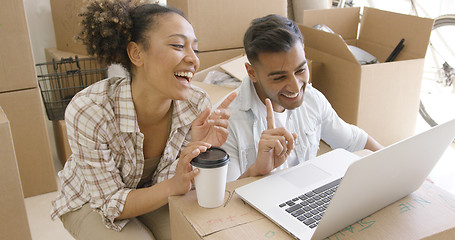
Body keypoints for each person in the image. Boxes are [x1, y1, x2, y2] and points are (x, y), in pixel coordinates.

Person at [50, 1, 237, 240]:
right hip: (92, 201)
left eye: (196, 50)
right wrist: (174, 186)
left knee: (198, 234)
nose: (193, 59)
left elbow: (178, 182)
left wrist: (197, 152)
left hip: (156, 191)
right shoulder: (90, 110)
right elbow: (109, 203)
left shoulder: (196, 104)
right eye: (178, 45)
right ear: (136, 53)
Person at [217, 14, 383, 182]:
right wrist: (256, 171)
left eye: (300, 70)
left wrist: (399, 166)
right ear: (252, 72)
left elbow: (355, 141)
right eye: (279, 78)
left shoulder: (312, 99)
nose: (296, 87)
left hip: (303, 200)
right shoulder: (225, 121)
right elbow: (224, 199)